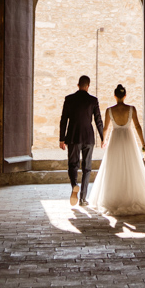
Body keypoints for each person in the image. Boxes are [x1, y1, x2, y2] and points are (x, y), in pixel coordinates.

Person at [87, 84, 145, 216]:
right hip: (128, 139)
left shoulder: (109, 110)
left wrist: (104, 140)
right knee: (131, 167)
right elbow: (137, 126)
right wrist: (143, 143)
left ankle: (113, 197)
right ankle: (131, 195)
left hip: (115, 140)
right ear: (125, 95)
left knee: (113, 167)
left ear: (115, 96)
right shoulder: (131, 109)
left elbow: (105, 128)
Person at [59, 75, 104, 207]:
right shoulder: (93, 100)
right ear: (88, 86)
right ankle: (83, 198)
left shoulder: (69, 99)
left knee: (73, 164)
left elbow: (63, 120)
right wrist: (103, 138)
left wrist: (62, 138)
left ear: (78, 85)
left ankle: (74, 185)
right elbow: (98, 121)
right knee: (87, 167)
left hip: (73, 136)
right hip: (88, 137)